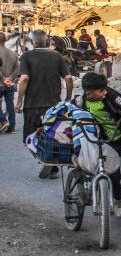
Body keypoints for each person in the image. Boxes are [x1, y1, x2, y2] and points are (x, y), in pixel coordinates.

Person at [73, 72, 121, 223]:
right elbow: (67, 109)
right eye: (101, 91)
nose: (105, 92)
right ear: (89, 93)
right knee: (112, 172)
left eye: (105, 89)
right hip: (106, 141)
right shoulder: (81, 102)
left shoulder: (112, 96)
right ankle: (118, 199)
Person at [15, 30, 74, 178]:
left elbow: (24, 79)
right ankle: (52, 162)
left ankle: (45, 158)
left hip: (33, 104)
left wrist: (19, 100)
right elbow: (68, 78)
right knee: (53, 135)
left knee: (29, 137)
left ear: (32, 42)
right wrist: (67, 98)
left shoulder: (27, 56)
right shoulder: (57, 56)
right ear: (47, 41)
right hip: (54, 105)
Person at [0, 32, 20, 133]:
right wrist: (10, 79)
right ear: (5, 40)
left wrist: (3, 79)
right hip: (10, 84)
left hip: (1, 83)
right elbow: (17, 69)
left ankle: (3, 121)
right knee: (10, 104)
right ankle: (12, 127)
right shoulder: (12, 53)